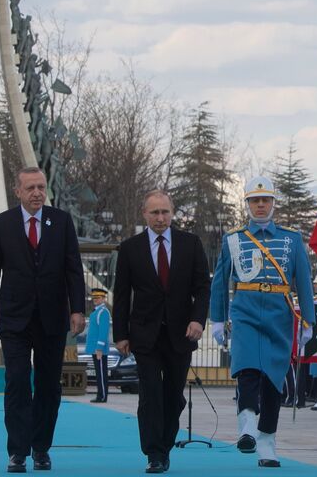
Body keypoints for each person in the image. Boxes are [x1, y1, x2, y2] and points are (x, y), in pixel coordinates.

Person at [0, 166, 87, 474]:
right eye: (31, 188)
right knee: (17, 381)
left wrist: (77, 309)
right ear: (18, 192)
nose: (37, 192)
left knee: (49, 385)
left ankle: (41, 448)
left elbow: (73, 269)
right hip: (14, 318)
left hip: (52, 317)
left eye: (41, 187)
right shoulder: (3, 224)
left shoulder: (61, 222)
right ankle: (17, 451)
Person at [210, 176, 317, 468]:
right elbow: (220, 283)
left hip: (279, 313)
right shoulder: (233, 239)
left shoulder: (291, 239)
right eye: (255, 201)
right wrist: (217, 319)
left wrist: (309, 319)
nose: (260, 205)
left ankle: (267, 440)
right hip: (245, 311)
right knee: (247, 369)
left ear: (273, 204)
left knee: (273, 380)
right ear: (247, 204)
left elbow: (303, 282)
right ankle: (246, 424)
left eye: (265, 200)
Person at [112, 190, 211, 474]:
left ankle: (165, 443)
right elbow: (121, 295)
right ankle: (154, 453)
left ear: (172, 212)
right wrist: (121, 334)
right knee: (150, 393)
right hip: (145, 334)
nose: (160, 218)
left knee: (173, 396)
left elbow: (202, 288)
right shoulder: (131, 248)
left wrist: (198, 320)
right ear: (144, 214)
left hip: (181, 334)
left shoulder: (190, 244)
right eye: (154, 212)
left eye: (165, 212)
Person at [86, 288, 112, 403]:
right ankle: (100, 394)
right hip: (95, 348)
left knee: (101, 373)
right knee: (99, 372)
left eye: (98, 298)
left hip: (98, 349)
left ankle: (102, 396)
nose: (95, 300)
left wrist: (99, 348)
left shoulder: (103, 312)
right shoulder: (96, 312)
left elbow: (103, 331)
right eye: (94, 298)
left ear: (103, 299)